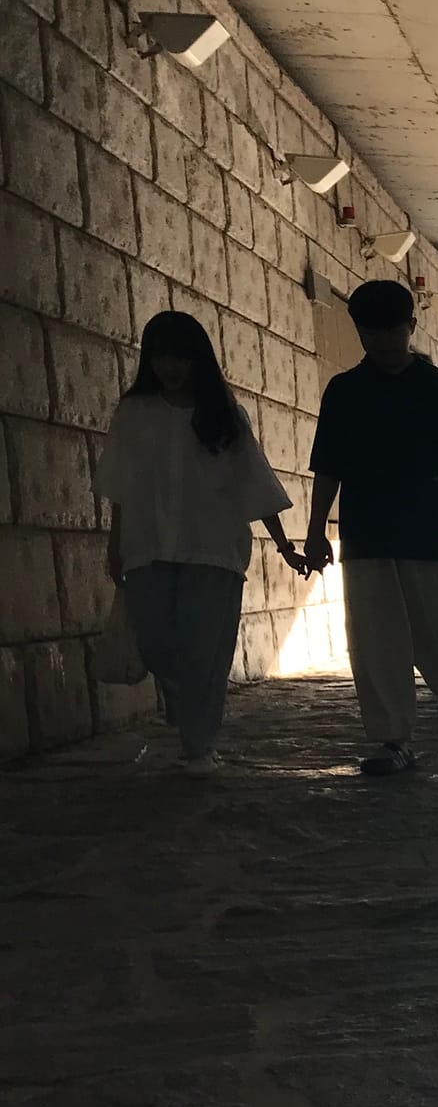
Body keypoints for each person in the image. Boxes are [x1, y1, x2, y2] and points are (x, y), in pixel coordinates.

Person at [97, 310, 306, 775]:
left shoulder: (224, 416)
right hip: (148, 546)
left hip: (213, 550)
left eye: (181, 357)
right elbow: (121, 486)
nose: (170, 367)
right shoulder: (133, 413)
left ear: (199, 360)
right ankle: (184, 699)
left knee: (207, 651)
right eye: (161, 357)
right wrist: (115, 545)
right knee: (155, 640)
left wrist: (283, 545)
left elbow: (254, 482)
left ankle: (199, 745)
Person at [306, 279, 438, 776]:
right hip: (367, 534)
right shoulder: (344, 392)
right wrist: (317, 528)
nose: (383, 343)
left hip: (432, 531)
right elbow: (328, 467)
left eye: (391, 332)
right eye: (370, 334)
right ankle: (392, 739)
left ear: (410, 326)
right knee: (374, 638)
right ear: (358, 332)